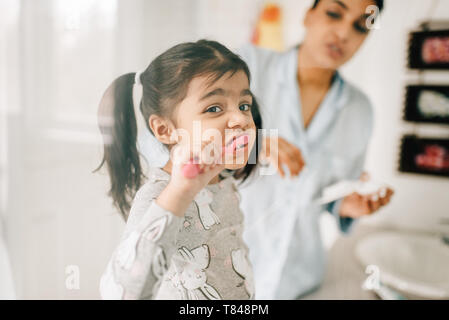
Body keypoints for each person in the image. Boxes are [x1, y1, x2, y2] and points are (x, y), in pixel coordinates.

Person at [236, 0, 394, 299]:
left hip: (298, 281)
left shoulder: (361, 110)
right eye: (334, 13)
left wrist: (345, 205)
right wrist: (251, 144)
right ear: (308, 15)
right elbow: (180, 138)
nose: (344, 33)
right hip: (224, 268)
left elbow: (329, 194)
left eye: (361, 26)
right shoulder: (246, 67)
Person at [95, 40, 263, 299]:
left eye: (244, 105)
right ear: (165, 129)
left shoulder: (224, 183)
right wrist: (181, 192)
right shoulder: (159, 195)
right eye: (214, 108)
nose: (241, 119)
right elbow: (123, 292)